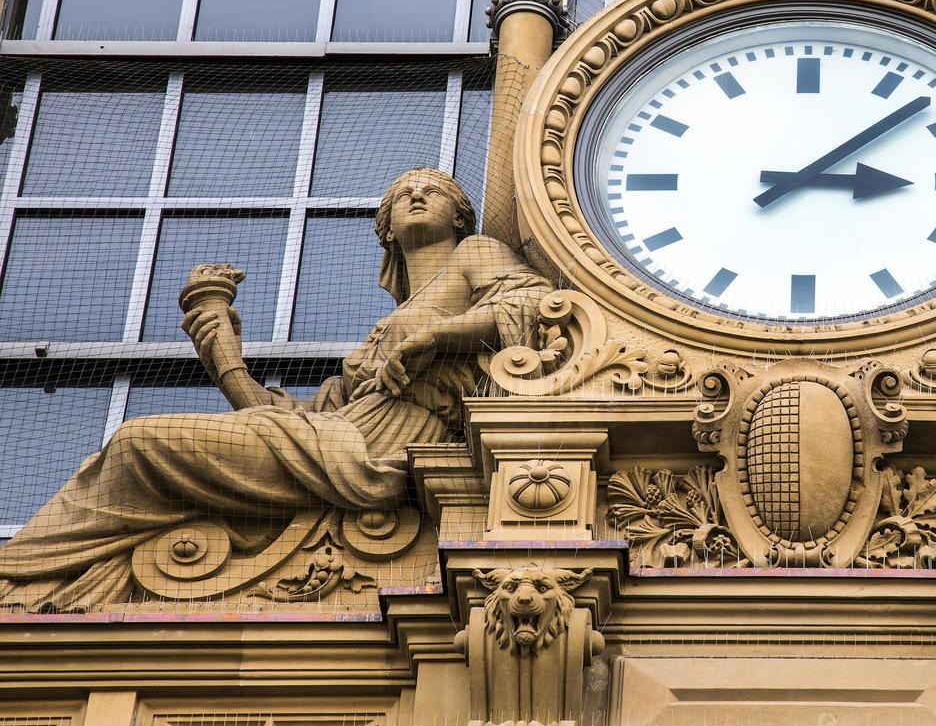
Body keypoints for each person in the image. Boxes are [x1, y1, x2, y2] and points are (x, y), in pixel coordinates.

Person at [0, 167, 552, 612]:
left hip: (382, 447)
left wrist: (436, 335)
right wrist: (224, 357)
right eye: (402, 192)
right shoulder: (378, 338)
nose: (414, 194)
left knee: (138, 442)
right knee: (137, 444)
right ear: (385, 228)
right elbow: (287, 417)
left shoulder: (475, 253)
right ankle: (36, 579)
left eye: (432, 190)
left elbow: (533, 305)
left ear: (459, 214)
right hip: (338, 438)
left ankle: (22, 576)